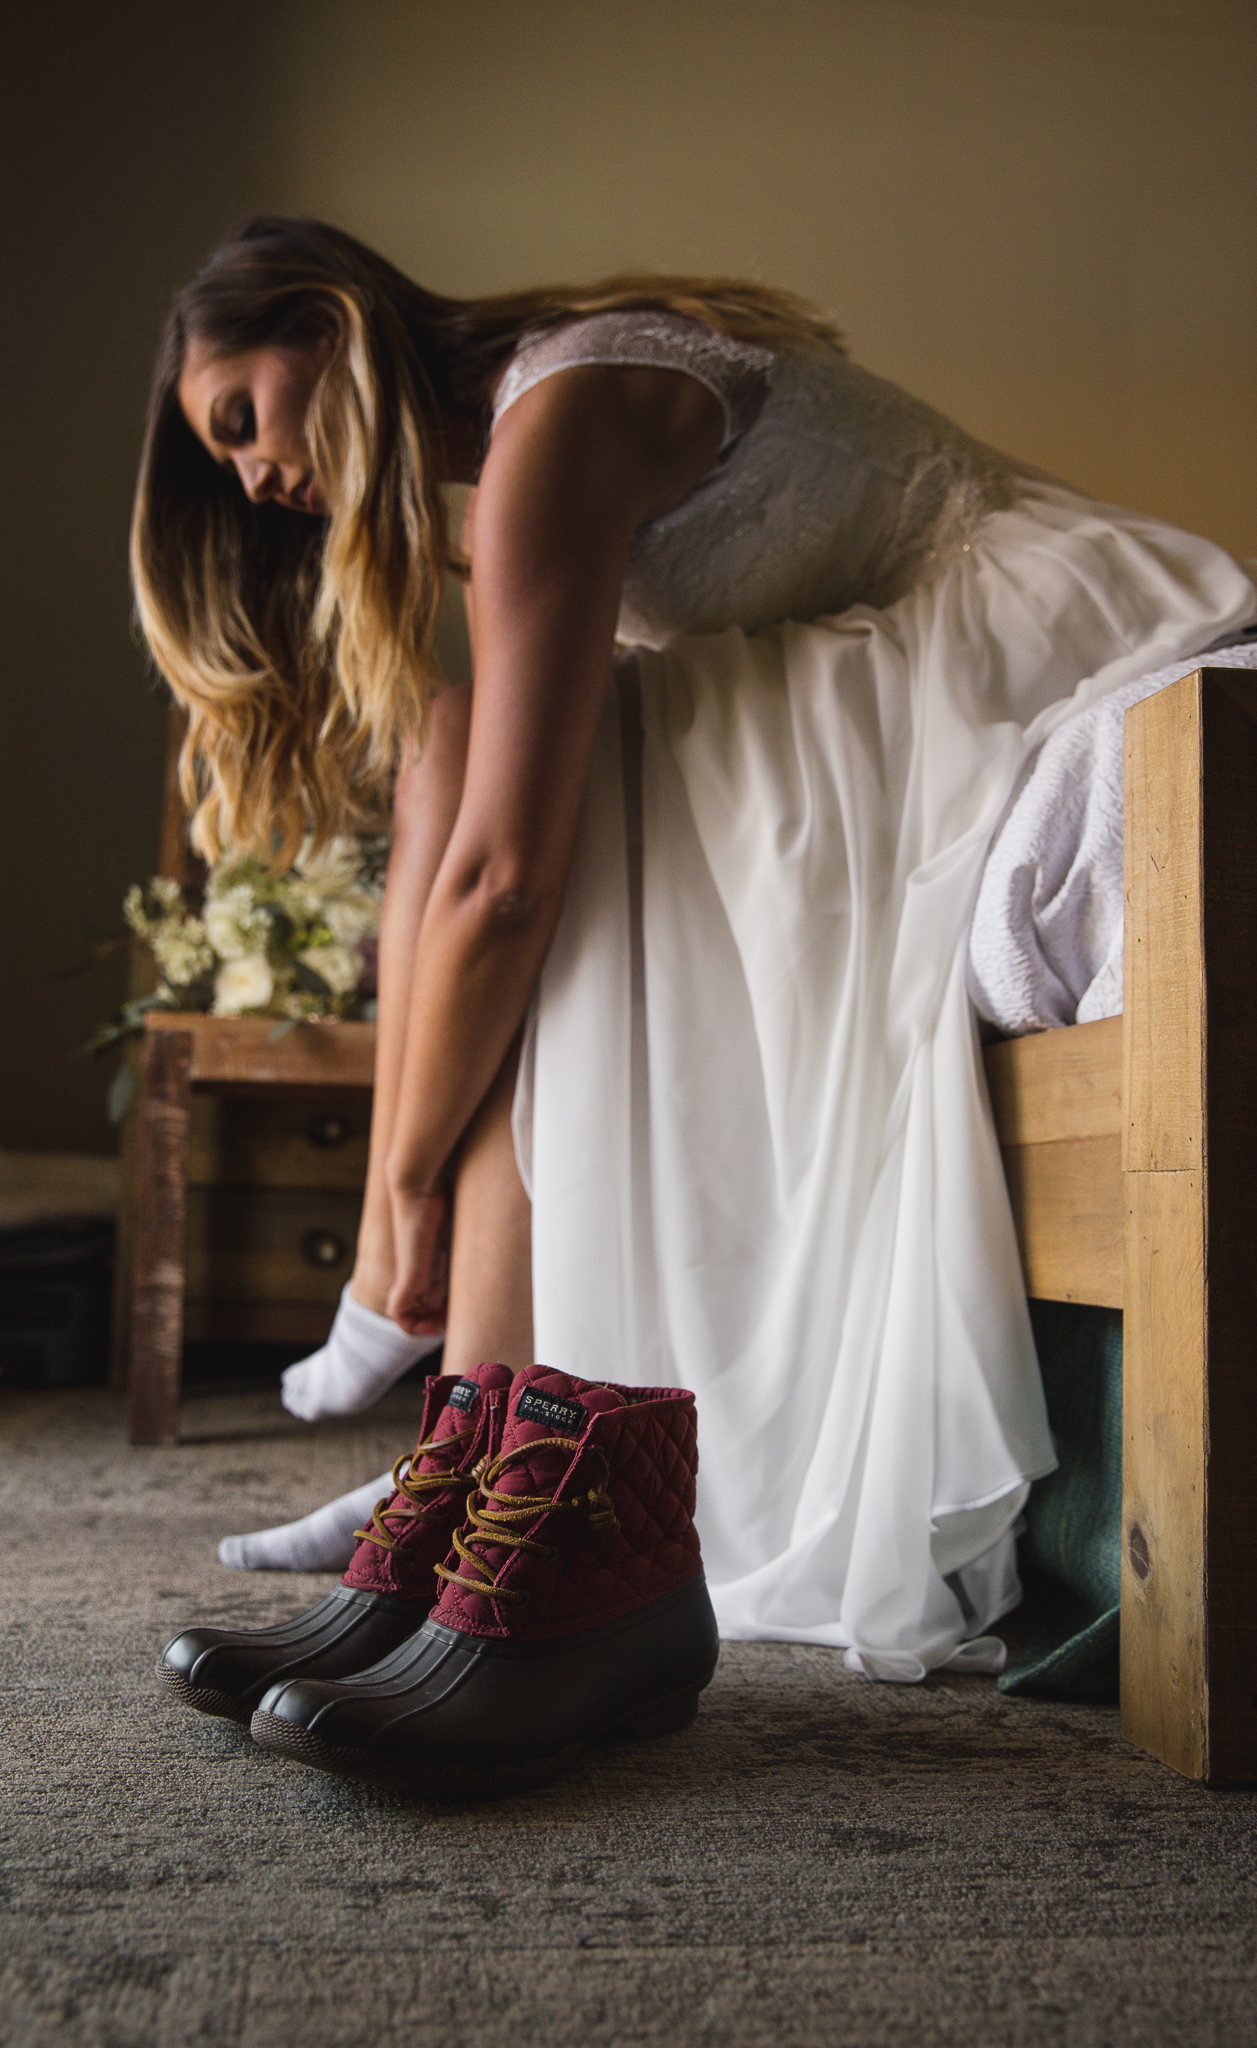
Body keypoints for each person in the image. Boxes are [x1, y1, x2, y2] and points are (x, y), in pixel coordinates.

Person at [134, 217, 1253, 1681]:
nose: (255, 476)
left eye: (239, 422)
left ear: (325, 327)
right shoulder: (514, 460)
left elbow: (503, 881)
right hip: (842, 703)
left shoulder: (564, 409)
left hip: (1000, 651)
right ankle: (472, 1438)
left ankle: (435, 1347)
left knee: (525, 838)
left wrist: (402, 1187)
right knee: (463, 744)